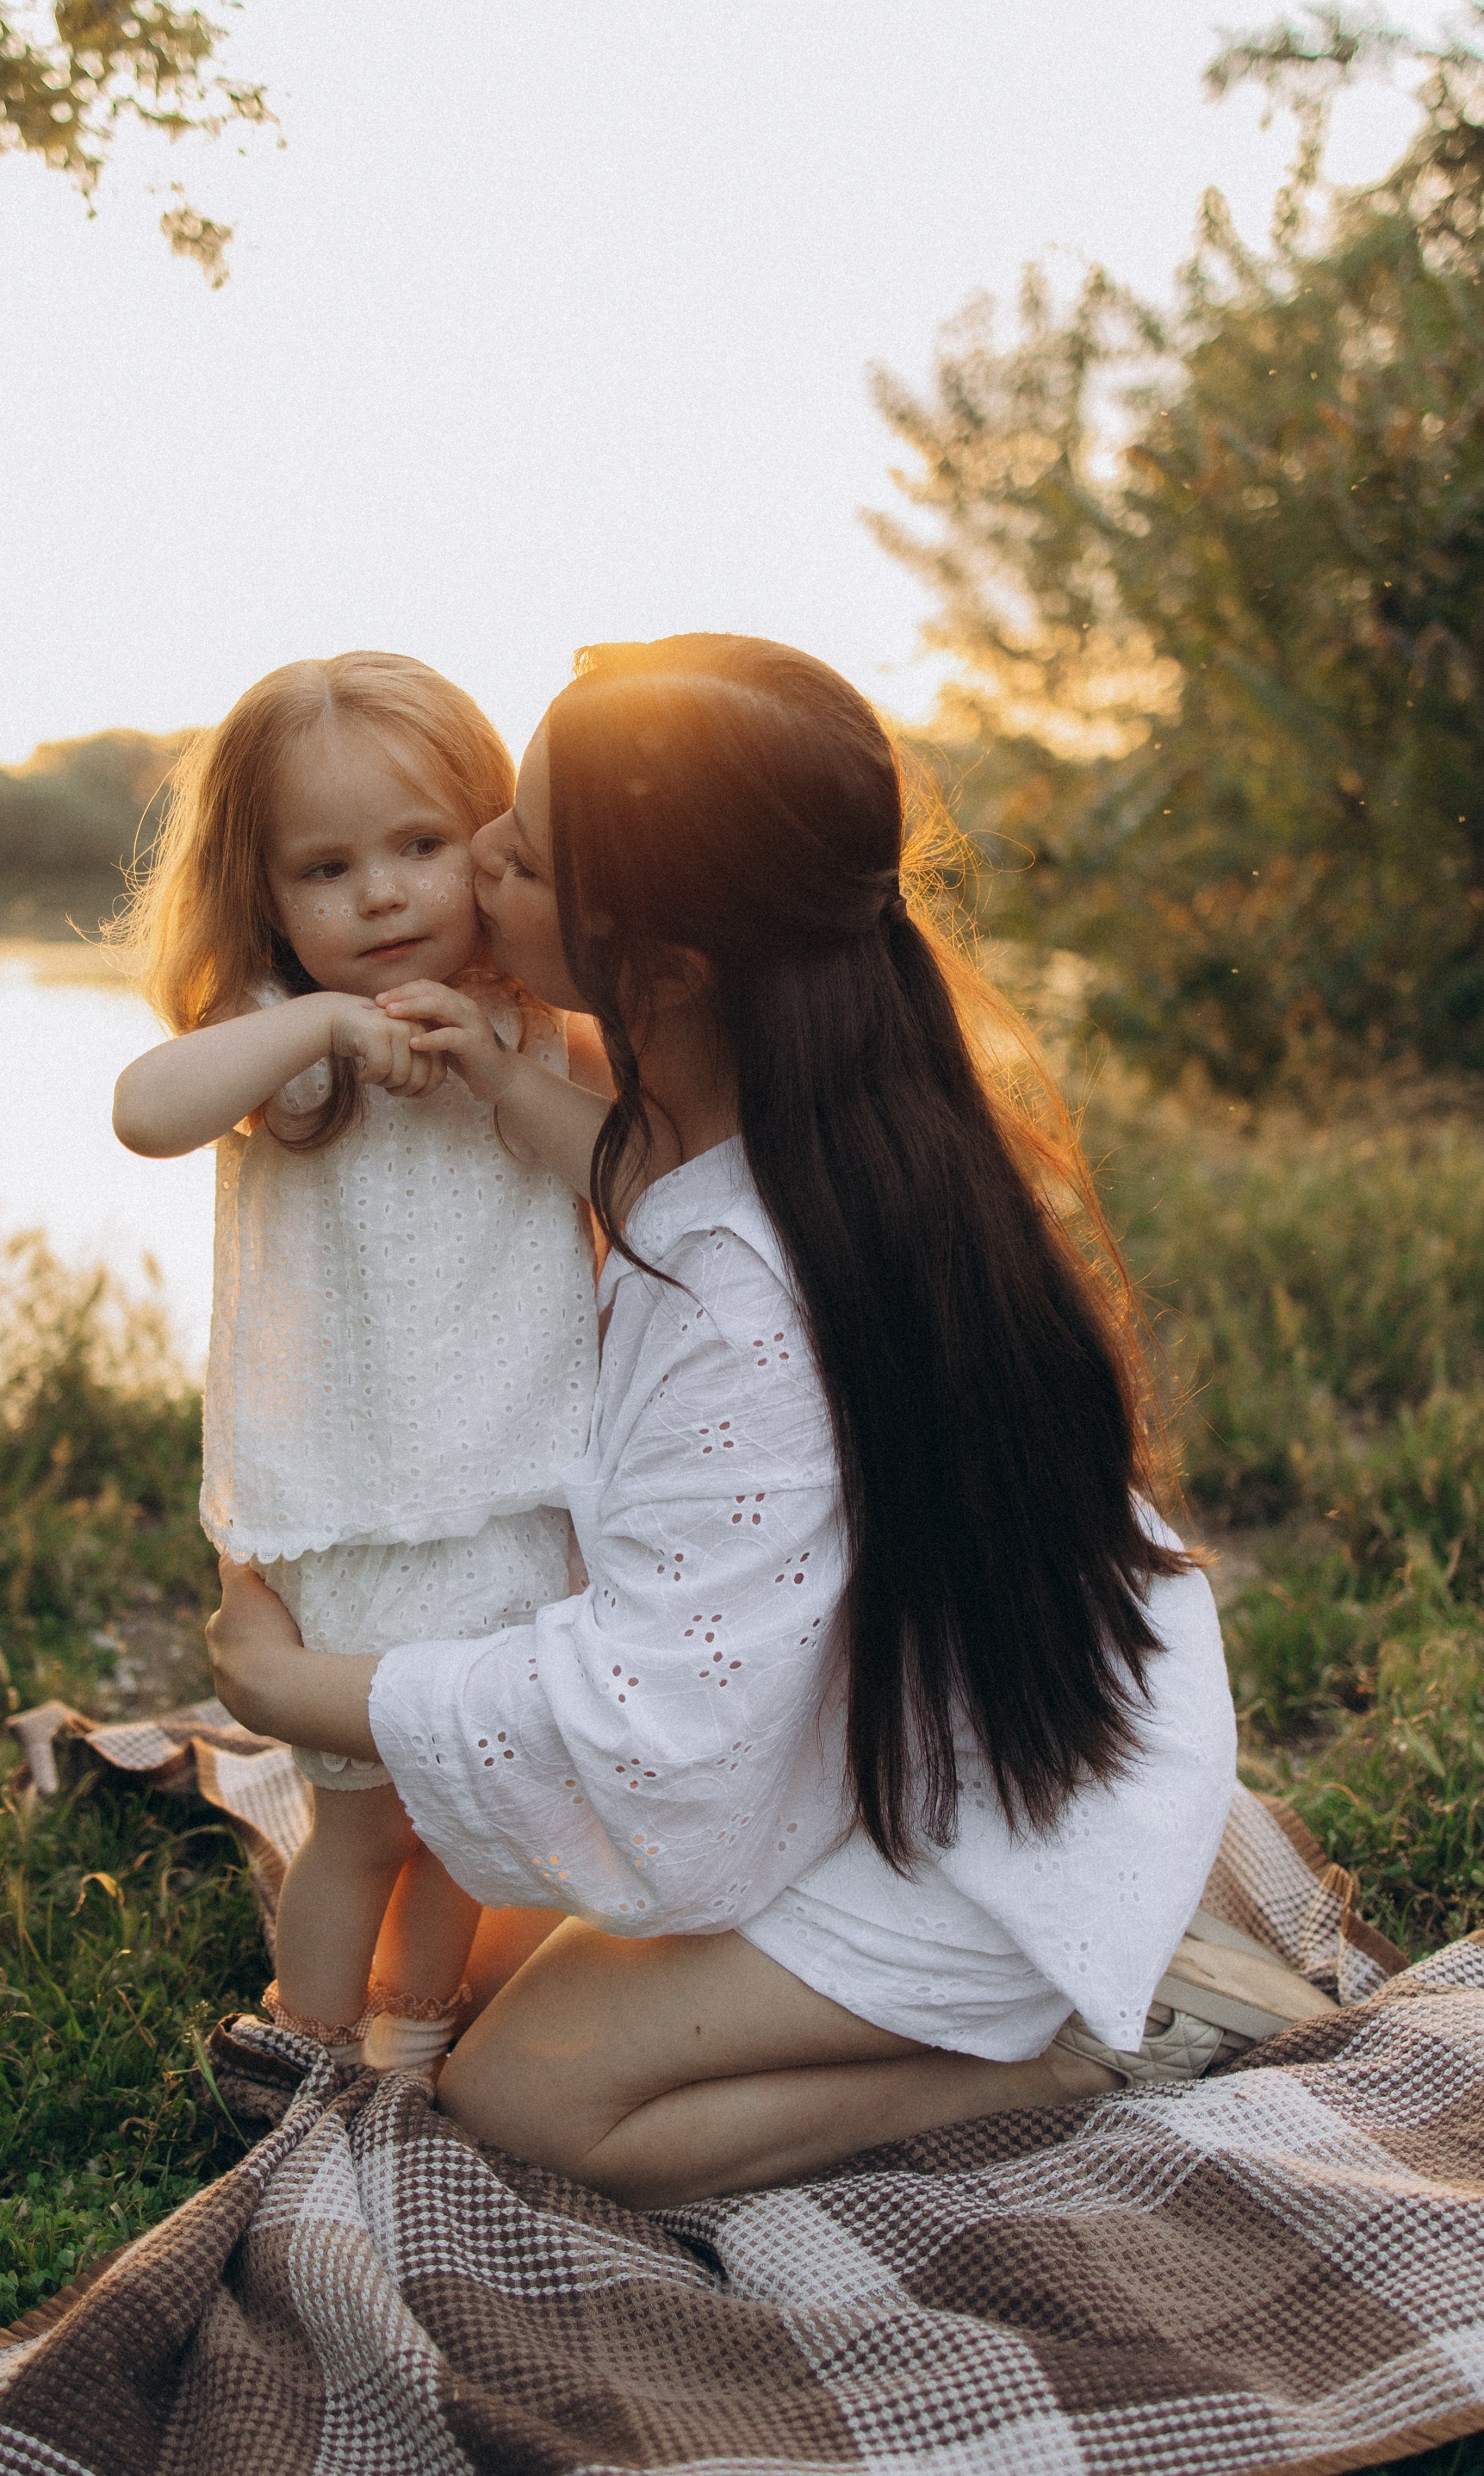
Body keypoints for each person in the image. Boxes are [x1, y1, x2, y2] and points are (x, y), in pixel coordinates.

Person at [204, 632, 1241, 2203]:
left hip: (972, 1846)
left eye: (521, 853)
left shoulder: (754, 1290)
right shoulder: (769, 1127)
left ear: (667, 965)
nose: (471, 860)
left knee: (524, 2099)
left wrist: (307, 1691)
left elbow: (660, 1732)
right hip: (904, 1731)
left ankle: (1053, 2057)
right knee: (483, 1955)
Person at [112, 653, 608, 2074]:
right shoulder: (283, 1041)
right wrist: (318, 1025)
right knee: (363, 1817)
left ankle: (415, 2034)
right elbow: (145, 1112)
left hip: (515, 1495)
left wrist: (510, 1074)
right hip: (344, 1509)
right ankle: (302, 2042)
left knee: (477, 1804)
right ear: (261, 895)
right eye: (326, 869)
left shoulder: (527, 1021)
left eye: (420, 847)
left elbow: (640, 1167)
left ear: (493, 846)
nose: (382, 895)